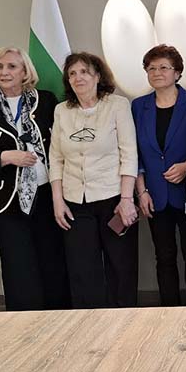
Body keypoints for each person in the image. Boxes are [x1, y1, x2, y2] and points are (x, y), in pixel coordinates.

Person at [0, 47, 70, 311]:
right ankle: (23, 322)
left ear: (25, 71)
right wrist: (5, 157)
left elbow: (63, 146)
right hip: (6, 200)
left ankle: (58, 317)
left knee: (53, 260)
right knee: (17, 265)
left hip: (48, 195)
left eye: (12, 66)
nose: (4, 72)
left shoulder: (47, 101)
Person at [50, 52, 138, 308]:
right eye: (72, 73)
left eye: (84, 72)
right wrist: (57, 201)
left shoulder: (117, 105)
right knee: (82, 270)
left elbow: (129, 154)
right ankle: (88, 324)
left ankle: (124, 321)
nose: (78, 78)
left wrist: (127, 199)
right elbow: (55, 158)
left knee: (121, 267)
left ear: (98, 76)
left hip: (114, 199)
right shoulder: (61, 111)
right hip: (75, 202)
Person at [131, 45, 186, 306]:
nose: (157, 72)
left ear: (177, 73)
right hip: (154, 195)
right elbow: (134, 153)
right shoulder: (138, 107)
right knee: (163, 257)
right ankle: (168, 312)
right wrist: (141, 191)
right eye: (151, 68)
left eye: (163, 67)